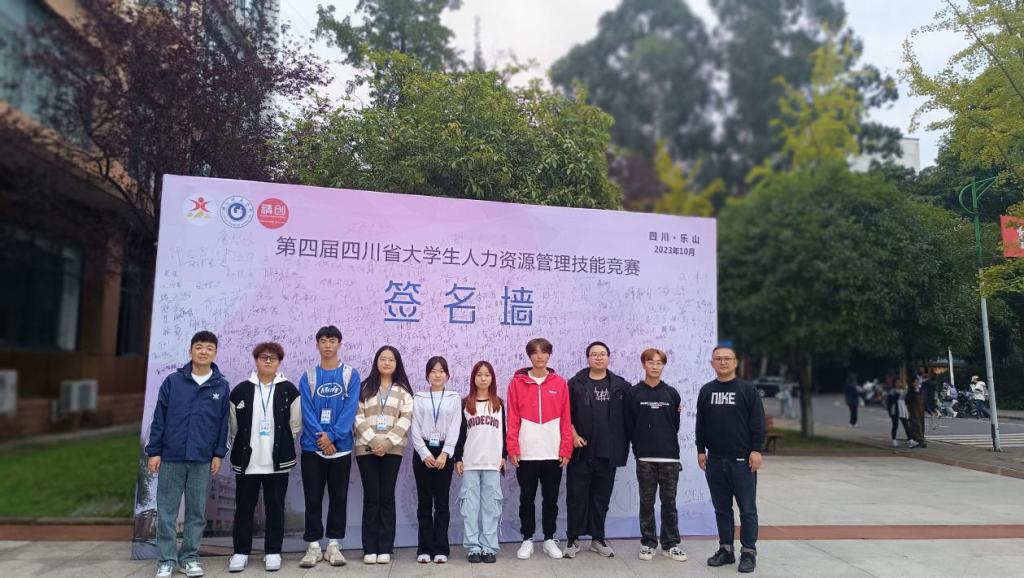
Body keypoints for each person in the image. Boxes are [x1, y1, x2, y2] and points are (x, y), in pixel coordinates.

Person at [145, 330, 231, 578]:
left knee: (196, 513)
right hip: (171, 456)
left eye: (209, 348)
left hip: (202, 459)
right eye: (199, 346)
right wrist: (154, 451)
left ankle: (189, 558)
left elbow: (223, 424)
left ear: (215, 353)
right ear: (190, 350)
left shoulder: (221, 386)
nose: (203, 352)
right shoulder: (173, 381)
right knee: (167, 512)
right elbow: (159, 418)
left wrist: (218, 454)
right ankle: (166, 560)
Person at [227, 342, 301, 573]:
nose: (268, 361)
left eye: (273, 358)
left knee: (275, 508)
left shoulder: (289, 390)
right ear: (256, 360)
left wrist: (283, 444)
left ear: (279, 362)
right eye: (263, 357)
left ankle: (273, 552)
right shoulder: (240, 390)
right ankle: (240, 552)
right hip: (248, 462)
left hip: (277, 462)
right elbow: (233, 427)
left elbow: (295, 425)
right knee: (244, 508)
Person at [696, 345, 765, 574]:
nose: (723, 362)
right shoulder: (706, 391)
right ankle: (726, 550)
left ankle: (748, 552)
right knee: (722, 509)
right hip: (715, 461)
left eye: (727, 358)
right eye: (718, 359)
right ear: (712, 363)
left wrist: (756, 450)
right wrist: (700, 450)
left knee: (747, 509)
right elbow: (701, 423)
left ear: (735, 362)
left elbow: (757, 422)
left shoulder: (747, 390)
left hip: (742, 461)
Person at [297, 326, 361, 568]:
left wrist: (333, 436)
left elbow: (350, 410)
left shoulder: (350, 375)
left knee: (338, 497)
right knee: (312, 497)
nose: (327, 345)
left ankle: (334, 544)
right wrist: (321, 439)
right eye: (323, 341)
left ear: (339, 344)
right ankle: (313, 546)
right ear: (317, 345)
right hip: (312, 449)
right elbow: (306, 411)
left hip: (340, 448)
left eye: (332, 341)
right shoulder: (308, 376)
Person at [506, 337, 572, 560]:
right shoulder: (517, 383)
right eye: (535, 352)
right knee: (526, 498)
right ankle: (527, 539)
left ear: (549, 355)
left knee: (551, 498)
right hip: (526, 452)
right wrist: (512, 447)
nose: (539, 356)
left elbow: (566, 418)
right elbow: (512, 418)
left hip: (553, 452)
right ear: (529, 356)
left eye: (543, 352)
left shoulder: (560, 383)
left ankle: (549, 539)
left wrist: (566, 448)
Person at [564, 341, 630, 559]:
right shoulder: (575, 383)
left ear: (609, 357)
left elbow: (635, 410)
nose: (598, 357)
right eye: (594, 354)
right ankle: (573, 539)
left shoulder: (621, 385)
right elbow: (565, 414)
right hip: (581, 452)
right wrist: (573, 435)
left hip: (608, 452)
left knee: (601, 498)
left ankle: (598, 538)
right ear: (587, 358)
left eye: (602, 354)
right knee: (576, 497)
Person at [354, 345, 414, 565]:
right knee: (372, 497)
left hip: (393, 449)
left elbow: (406, 418)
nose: (386, 363)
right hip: (366, 448)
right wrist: (373, 440)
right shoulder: (364, 388)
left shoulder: (403, 391)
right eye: (383, 358)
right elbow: (356, 415)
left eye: (391, 359)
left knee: (387, 497)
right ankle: (370, 548)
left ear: (397, 364)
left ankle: (385, 547)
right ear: (376, 361)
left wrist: (387, 443)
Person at [625, 348, 686, 563]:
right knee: (646, 502)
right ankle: (649, 543)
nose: (655, 366)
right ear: (644, 364)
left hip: (669, 457)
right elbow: (629, 425)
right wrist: (640, 448)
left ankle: (671, 544)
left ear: (663, 366)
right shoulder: (633, 393)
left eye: (659, 363)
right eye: (651, 362)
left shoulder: (672, 393)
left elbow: (674, 424)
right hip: (645, 458)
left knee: (669, 502)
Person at [410, 356, 463, 564]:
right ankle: (424, 548)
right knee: (424, 503)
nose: (437, 375)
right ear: (427, 375)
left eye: (441, 371)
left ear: (447, 375)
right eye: (433, 371)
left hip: (444, 451)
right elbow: (414, 426)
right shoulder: (418, 397)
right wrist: (424, 453)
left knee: (441, 503)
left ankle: (441, 548)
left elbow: (455, 426)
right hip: (423, 450)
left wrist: (445, 453)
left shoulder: (454, 397)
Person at [453, 361, 506, 564]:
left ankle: (489, 547)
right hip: (470, 462)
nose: (483, 378)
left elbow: (503, 432)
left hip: (492, 462)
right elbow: (460, 434)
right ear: (473, 378)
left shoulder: (499, 403)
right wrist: (458, 458)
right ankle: (473, 547)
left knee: (491, 507)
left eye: (487, 375)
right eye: (479, 375)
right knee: (470, 507)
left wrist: (503, 456)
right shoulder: (466, 403)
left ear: (492, 378)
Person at [886, 380, 912, 448]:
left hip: (902, 409)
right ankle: (894, 440)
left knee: (906, 426)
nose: (898, 384)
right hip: (895, 410)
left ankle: (910, 440)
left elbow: (907, 400)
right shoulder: (892, 391)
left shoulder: (903, 391)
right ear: (894, 384)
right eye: (896, 383)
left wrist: (906, 395)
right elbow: (890, 402)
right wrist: (889, 412)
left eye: (899, 383)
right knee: (895, 425)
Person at [906, 377, 928, 448]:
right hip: (913, 411)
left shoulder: (922, 390)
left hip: (921, 411)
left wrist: (929, 410)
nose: (916, 383)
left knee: (921, 425)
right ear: (912, 383)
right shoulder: (910, 391)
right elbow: (908, 400)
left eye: (917, 382)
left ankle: (920, 440)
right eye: (915, 382)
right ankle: (919, 440)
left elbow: (924, 401)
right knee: (915, 425)